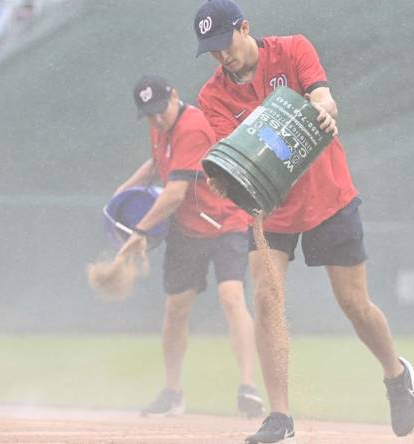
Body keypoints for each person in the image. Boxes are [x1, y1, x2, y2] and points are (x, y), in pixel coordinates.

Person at [192, 1, 414, 442]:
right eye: (211, 51)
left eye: (225, 44)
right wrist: (221, 180)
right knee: (265, 296)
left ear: (245, 28)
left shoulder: (292, 49)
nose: (222, 57)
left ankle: (396, 375)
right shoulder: (212, 96)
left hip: (327, 195)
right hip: (270, 206)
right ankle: (279, 416)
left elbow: (322, 96)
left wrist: (324, 107)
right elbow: (228, 159)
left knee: (354, 305)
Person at [115, 75, 264, 418]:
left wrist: (139, 230)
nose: (156, 118)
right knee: (175, 310)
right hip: (187, 229)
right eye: (149, 114)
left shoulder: (193, 126)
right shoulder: (158, 125)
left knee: (231, 297)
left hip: (224, 220)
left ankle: (248, 388)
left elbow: (174, 193)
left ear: (175, 97)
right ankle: (172, 393)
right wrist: (125, 189)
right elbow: (158, 164)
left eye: (160, 110)